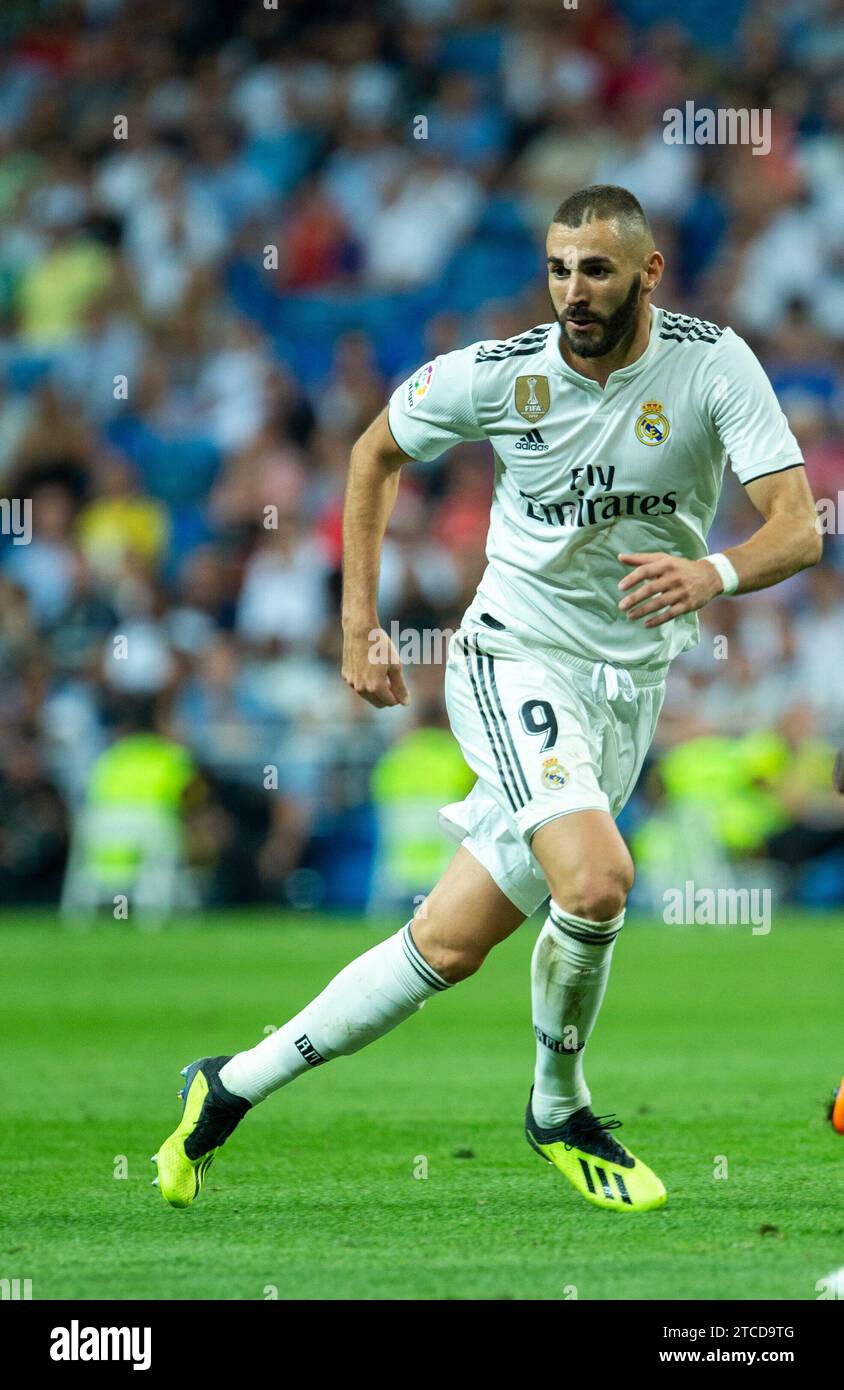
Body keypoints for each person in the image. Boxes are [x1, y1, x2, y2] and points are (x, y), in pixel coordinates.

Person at [153, 185, 820, 1211]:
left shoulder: (710, 361)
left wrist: (713, 573)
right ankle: (557, 1103)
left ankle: (228, 1085)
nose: (572, 291)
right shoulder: (502, 375)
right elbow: (371, 450)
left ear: (646, 272)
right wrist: (357, 624)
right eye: (558, 268)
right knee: (595, 880)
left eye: (596, 269)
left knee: (449, 945)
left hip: (625, 683)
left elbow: (798, 525)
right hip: (514, 657)